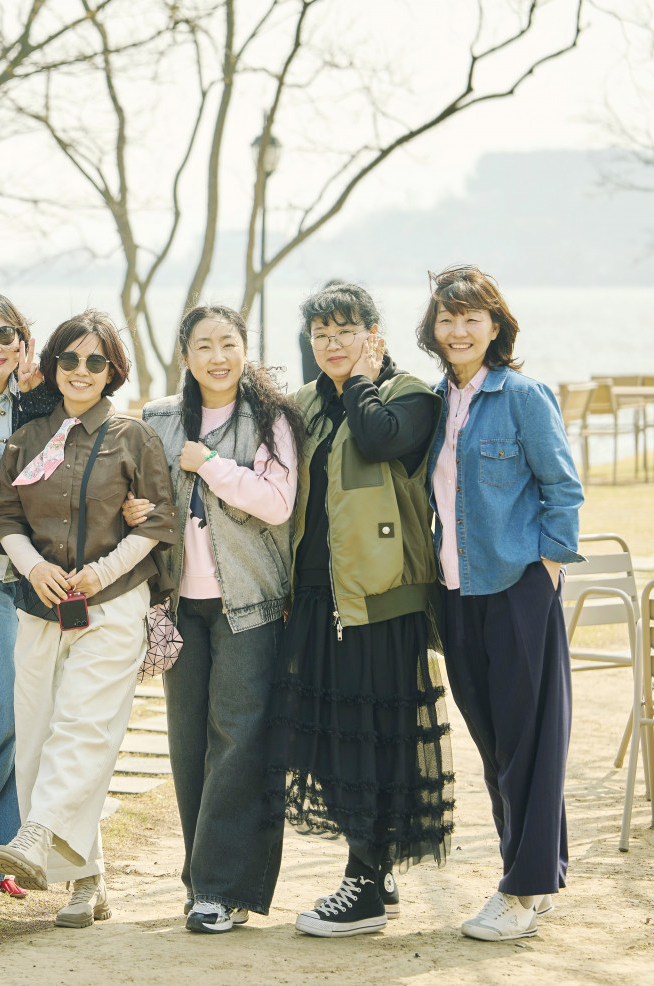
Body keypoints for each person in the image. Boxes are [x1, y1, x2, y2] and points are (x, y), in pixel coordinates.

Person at [0, 293, 153, 897]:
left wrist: (129, 507)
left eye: (5, 335)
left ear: (23, 341)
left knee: (28, 720)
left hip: (35, 584)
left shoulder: (43, 400)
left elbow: (89, 461)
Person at [268, 280, 456, 939]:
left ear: (374, 335)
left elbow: (377, 441)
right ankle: (375, 869)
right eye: (321, 334)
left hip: (379, 602)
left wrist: (363, 381)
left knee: (372, 741)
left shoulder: (410, 397)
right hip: (315, 598)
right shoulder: (305, 405)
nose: (332, 344)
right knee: (325, 740)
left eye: (346, 331)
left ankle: (364, 886)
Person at [0, 309, 178, 928]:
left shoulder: (133, 436)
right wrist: (33, 566)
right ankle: (87, 879)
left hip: (114, 602)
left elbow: (159, 520)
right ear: (53, 365)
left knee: (83, 727)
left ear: (112, 370)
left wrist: (102, 571)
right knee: (38, 736)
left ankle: (37, 832)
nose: (81, 371)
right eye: (70, 358)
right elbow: (4, 515)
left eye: (96, 361)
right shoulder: (28, 437)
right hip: (42, 606)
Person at [418, 264, 583, 943]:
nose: (458, 330)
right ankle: (539, 873)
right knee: (495, 747)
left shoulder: (522, 395)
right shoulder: (434, 403)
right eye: (447, 318)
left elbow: (563, 489)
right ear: (433, 329)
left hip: (517, 589)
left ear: (495, 327)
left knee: (528, 744)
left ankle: (522, 889)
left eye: (471, 318)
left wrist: (546, 569)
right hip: (457, 593)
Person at [141, 304, 302, 934]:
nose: (217, 356)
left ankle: (219, 887)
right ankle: (202, 880)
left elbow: (277, 503)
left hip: (250, 603)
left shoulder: (270, 419)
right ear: (185, 355)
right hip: (179, 603)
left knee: (238, 741)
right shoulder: (158, 419)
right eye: (204, 345)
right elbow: (140, 495)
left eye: (228, 343)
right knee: (189, 744)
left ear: (244, 349)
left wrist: (209, 464)